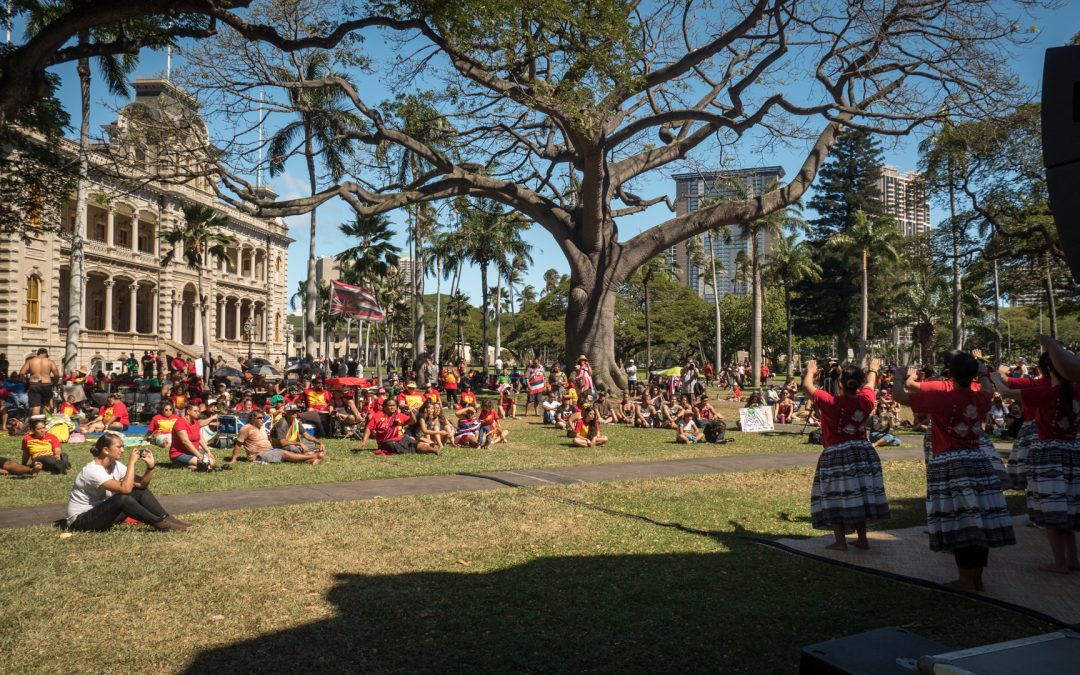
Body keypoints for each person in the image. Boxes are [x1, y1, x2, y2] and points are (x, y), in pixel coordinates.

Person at [893, 352, 1015, 591]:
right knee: (978, 519)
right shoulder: (983, 398)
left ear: (950, 373)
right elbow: (989, 386)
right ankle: (977, 578)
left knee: (960, 520)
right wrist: (982, 371)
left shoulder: (943, 399)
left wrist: (899, 376)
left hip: (950, 463)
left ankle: (964, 578)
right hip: (978, 462)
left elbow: (900, 395)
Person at [995, 336, 1080, 574]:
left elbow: (1005, 390)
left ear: (1048, 369)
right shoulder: (1076, 392)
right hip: (1073, 452)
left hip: (1049, 454)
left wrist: (990, 375)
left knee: (1053, 510)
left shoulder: (1047, 394)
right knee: (1068, 508)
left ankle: (1060, 563)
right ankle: (1073, 559)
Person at [802, 358, 890, 552]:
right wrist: (874, 369)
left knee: (834, 495)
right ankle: (862, 539)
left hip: (836, 453)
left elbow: (807, 386)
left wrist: (811, 371)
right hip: (862, 451)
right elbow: (871, 383)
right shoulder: (866, 400)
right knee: (857, 494)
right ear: (858, 385)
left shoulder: (831, 402)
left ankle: (840, 541)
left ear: (840, 384)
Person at [66, 433, 189, 532]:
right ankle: (161, 524)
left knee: (138, 491)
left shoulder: (115, 465)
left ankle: (167, 518)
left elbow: (142, 485)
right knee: (122, 498)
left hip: (103, 515)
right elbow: (125, 489)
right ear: (106, 450)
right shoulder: (92, 470)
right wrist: (131, 463)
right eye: (119, 447)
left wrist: (150, 467)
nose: (123, 450)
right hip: (81, 520)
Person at [233, 411, 322, 464]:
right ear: (253, 419)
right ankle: (314, 456)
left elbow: (306, 435)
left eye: (263, 417)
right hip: (258, 455)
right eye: (260, 418)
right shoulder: (246, 428)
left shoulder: (262, 426)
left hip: (270, 450)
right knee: (285, 454)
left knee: (287, 457)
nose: (262, 419)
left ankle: (312, 459)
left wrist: (320, 443)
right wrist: (233, 459)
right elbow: (238, 445)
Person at [356, 398, 435, 455]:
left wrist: (410, 412)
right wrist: (364, 442)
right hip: (386, 442)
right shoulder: (377, 416)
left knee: (415, 443)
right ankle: (414, 450)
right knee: (392, 444)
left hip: (402, 438)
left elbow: (413, 421)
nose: (392, 407)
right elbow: (369, 428)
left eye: (394, 405)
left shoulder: (400, 415)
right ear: (384, 407)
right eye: (390, 405)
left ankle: (433, 450)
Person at [169, 403, 217, 471]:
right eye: (195, 411)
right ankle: (179, 462)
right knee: (207, 464)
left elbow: (200, 438)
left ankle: (186, 465)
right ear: (188, 411)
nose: (198, 413)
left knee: (212, 463)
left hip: (193, 452)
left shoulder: (195, 422)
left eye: (198, 411)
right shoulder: (180, 422)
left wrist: (208, 451)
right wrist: (199, 456)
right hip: (180, 454)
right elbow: (185, 442)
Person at [20, 348, 59, 416]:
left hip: (34, 384)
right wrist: (54, 383)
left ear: (38, 353)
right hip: (46, 384)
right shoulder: (50, 362)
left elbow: (21, 373)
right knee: (45, 405)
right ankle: (43, 423)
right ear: (46, 354)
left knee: (36, 406)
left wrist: (26, 382)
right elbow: (56, 375)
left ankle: (36, 424)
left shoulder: (30, 361)